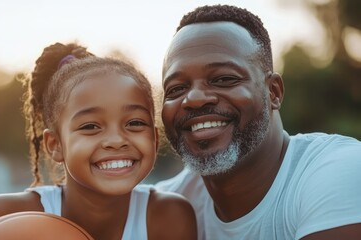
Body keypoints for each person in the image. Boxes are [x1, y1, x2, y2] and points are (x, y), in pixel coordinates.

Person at [0, 42, 197, 240]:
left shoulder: (168, 218)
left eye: (134, 123)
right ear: (55, 145)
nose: (116, 140)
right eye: (90, 126)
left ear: (154, 138)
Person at [155, 4, 361, 240]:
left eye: (223, 79)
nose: (194, 99)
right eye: (177, 88)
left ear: (273, 92)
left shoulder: (338, 171)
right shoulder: (162, 211)